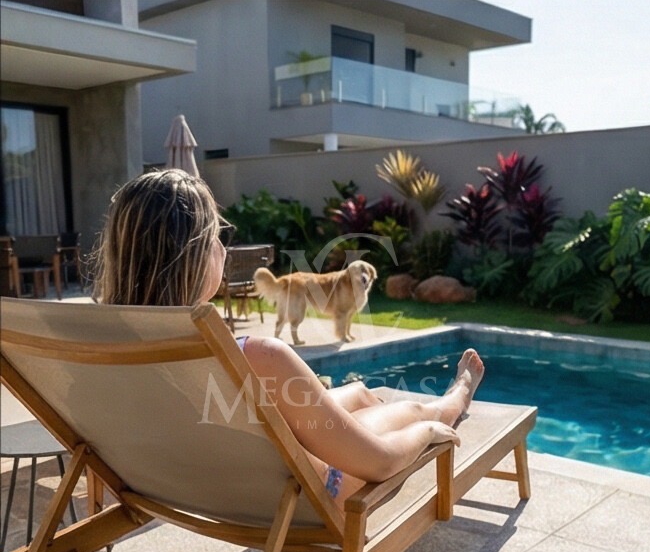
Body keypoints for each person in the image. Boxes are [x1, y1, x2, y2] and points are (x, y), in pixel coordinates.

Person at [93, 169, 485, 508]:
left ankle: (368, 401)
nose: (223, 248)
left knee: (359, 393)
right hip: (307, 494)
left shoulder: (102, 350)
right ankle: (456, 398)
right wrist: (425, 434)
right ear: (193, 255)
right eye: (217, 236)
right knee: (414, 412)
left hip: (207, 487)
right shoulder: (259, 358)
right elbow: (380, 462)